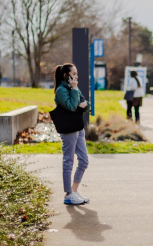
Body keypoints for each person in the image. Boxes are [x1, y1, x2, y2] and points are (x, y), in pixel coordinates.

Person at [54, 63, 91, 205]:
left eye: (76, 74)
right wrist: (75, 91)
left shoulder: (73, 88)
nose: (76, 76)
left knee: (84, 160)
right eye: (73, 74)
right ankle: (68, 194)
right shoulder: (61, 90)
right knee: (68, 161)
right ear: (66, 75)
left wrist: (84, 104)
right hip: (69, 129)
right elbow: (70, 107)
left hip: (78, 127)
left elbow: (87, 105)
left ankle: (74, 191)